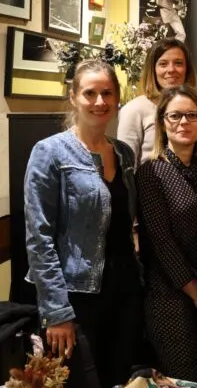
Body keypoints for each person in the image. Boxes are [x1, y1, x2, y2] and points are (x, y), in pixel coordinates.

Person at [24, 60, 143, 388]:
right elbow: (39, 238)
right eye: (90, 93)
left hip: (124, 294)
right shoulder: (49, 153)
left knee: (119, 380)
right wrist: (56, 311)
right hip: (77, 298)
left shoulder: (124, 154)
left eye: (107, 93)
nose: (100, 101)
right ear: (74, 96)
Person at [137, 85, 197, 383]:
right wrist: (193, 291)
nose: (183, 122)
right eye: (175, 115)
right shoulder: (151, 173)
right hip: (169, 297)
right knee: (183, 378)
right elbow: (160, 242)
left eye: (192, 115)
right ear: (163, 121)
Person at [118, 38, 197, 167]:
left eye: (178, 63)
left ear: (187, 69)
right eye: (163, 64)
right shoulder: (134, 110)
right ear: (153, 69)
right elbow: (126, 168)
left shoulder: (194, 108)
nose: (171, 69)